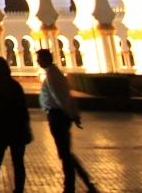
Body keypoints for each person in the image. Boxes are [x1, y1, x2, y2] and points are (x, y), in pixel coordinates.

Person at [36, 48, 98, 193]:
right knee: (65, 152)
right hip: (59, 115)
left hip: (57, 116)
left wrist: (71, 114)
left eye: (39, 59)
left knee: (65, 153)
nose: (38, 62)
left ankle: (74, 184)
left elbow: (60, 98)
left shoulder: (52, 75)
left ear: (45, 59)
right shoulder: (54, 73)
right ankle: (78, 182)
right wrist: (73, 114)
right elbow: (66, 96)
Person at [0, 56, 31, 193]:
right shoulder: (15, 85)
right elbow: (23, 109)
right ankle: (19, 189)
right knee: (18, 162)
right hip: (16, 129)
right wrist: (26, 128)